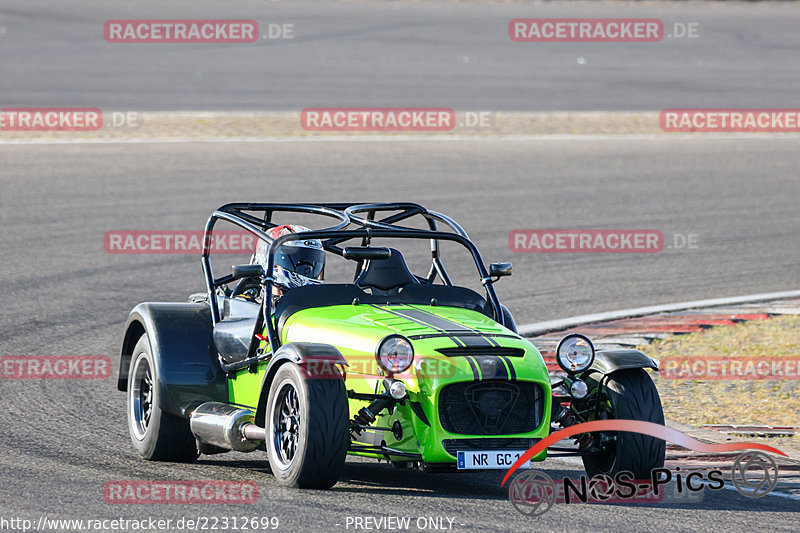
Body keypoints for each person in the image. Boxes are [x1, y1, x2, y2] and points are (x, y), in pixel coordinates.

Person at [250, 224, 326, 305]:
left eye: (313, 261)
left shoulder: (318, 305)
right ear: (273, 263)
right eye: (298, 260)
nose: (308, 269)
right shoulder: (247, 307)